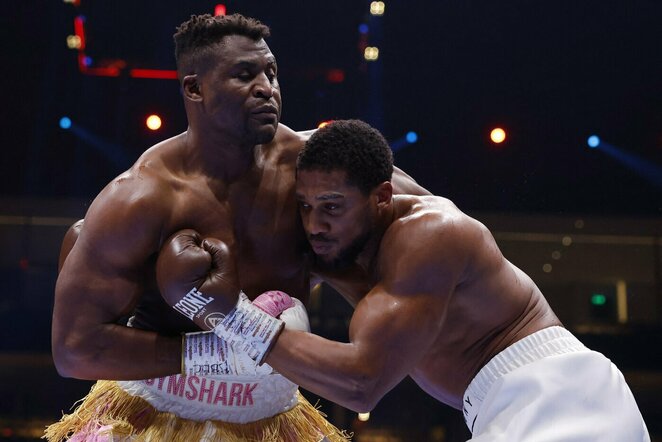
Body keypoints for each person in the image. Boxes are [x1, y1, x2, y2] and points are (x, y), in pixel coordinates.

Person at [46, 14, 428, 441]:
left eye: (271, 73)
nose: (267, 88)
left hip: (274, 414)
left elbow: (429, 220)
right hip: (156, 411)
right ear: (194, 88)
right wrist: (211, 355)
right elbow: (74, 350)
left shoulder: (312, 172)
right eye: (244, 75)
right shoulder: (141, 199)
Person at [157, 119, 650, 441]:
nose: (314, 224)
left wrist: (226, 314)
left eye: (332, 207)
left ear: (381, 197)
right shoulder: (345, 236)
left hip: (558, 398)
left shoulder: (430, 234)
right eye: (306, 207)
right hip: (505, 407)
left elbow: (361, 382)